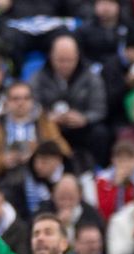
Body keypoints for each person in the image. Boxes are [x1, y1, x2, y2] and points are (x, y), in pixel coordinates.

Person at [30, 34, 109, 168]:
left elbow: (99, 109)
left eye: (69, 60)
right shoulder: (38, 77)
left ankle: (98, 169)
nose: (65, 65)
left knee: (100, 132)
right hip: (52, 128)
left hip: (81, 128)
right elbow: (32, 105)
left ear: (77, 57)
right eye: (60, 60)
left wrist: (84, 118)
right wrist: (47, 117)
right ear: (51, 57)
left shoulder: (91, 77)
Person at [0, 81, 69, 183]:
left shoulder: (45, 123)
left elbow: (64, 152)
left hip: (40, 180)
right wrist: (3, 160)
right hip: (4, 181)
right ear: (7, 102)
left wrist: (39, 152)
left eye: (26, 98)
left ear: (32, 101)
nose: (21, 103)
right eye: (15, 99)